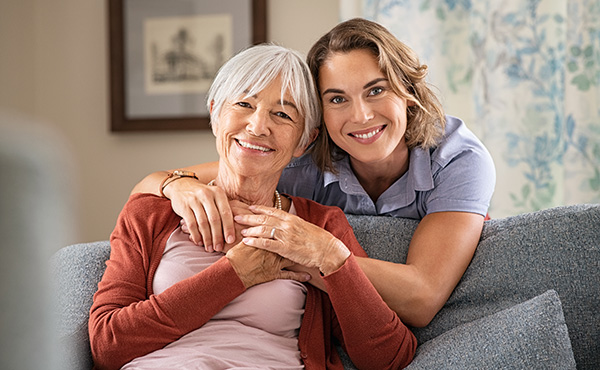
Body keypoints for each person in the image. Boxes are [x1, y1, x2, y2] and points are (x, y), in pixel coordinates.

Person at [131, 18, 496, 327]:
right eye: (337, 99)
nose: (361, 116)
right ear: (317, 118)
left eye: (376, 90)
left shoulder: (458, 160)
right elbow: (148, 186)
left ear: (408, 93)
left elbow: (422, 298)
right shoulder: (303, 162)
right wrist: (177, 186)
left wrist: (318, 250)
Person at [89, 44, 416, 370]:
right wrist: (236, 274)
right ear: (216, 115)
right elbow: (108, 346)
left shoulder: (320, 226)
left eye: (283, 114)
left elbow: (388, 359)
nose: (258, 126)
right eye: (244, 104)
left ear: (304, 141)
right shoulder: (152, 213)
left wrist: (334, 259)